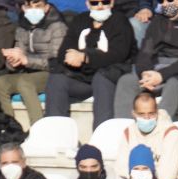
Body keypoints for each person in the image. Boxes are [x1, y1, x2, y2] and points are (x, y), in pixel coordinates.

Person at [43, 0, 136, 130]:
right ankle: (56, 131)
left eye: (105, 2)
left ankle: (101, 136)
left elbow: (118, 54)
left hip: (109, 77)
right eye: (94, 2)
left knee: (102, 78)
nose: (100, 6)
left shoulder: (120, 21)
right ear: (87, 4)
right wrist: (71, 57)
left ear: (112, 3)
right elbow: (64, 51)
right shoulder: (80, 20)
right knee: (57, 79)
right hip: (83, 78)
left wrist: (86, 57)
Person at [113, 0, 178, 121]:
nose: (164, 4)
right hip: (154, 68)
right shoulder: (158, 21)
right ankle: (124, 128)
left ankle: (161, 128)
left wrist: (162, 76)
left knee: (173, 86)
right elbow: (146, 50)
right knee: (126, 81)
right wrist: (144, 72)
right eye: (161, 1)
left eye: (168, 0)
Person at [0, 0, 68, 130]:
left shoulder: (58, 27)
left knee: (24, 82)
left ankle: (38, 129)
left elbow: (56, 62)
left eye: (37, 6)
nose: (33, 10)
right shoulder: (22, 27)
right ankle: (9, 128)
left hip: (52, 73)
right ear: (23, 7)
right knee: (0, 82)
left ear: (46, 7)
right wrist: (13, 61)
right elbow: (19, 53)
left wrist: (27, 60)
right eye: (28, 6)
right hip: (28, 73)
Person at [113, 91, 178, 179]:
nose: (146, 118)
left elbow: (166, 177)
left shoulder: (171, 133)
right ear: (133, 114)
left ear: (157, 112)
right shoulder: (128, 133)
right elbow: (121, 170)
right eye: (141, 114)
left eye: (151, 113)